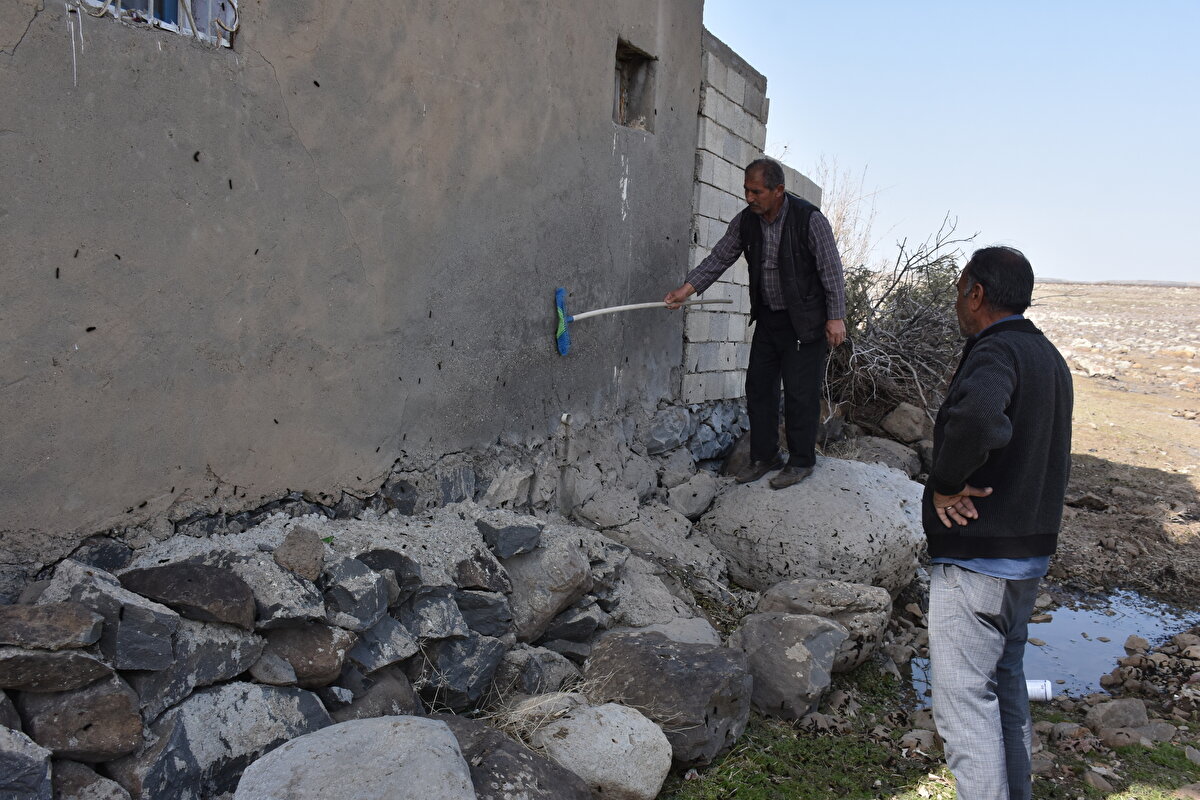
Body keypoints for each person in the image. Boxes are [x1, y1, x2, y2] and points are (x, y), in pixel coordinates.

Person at [924, 246, 1073, 800]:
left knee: (964, 708)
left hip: (979, 558)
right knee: (1005, 689)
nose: (957, 303)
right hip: (1027, 557)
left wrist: (945, 481)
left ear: (976, 293)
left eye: (959, 290)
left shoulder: (997, 351)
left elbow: (981, 417)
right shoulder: (1047, 355)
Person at [664, 158, 846, 489]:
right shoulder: (747, 222)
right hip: (769, 318)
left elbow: (831, 269)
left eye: (756, 191)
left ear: (779, 191)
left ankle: (801, 461)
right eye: (746, 190)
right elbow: (719, 257)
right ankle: (764, 456)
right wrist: (686, 291)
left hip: (805, 322)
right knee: (758, 388)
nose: (749, 197)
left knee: (799, 394)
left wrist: (836, 316)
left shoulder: (809, 219)